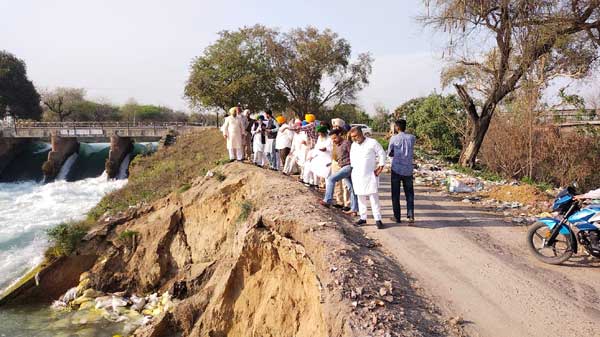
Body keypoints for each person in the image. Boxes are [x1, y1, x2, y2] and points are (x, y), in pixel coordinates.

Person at [349, 126, 386, 229]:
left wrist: (381, 166)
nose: (354, 138)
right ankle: (363, 218)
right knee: (360, 197)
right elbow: (352, 160)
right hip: (357, 174)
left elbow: (382, 154)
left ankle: (378, 219)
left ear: (361, 134)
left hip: (370, 175)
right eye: (352, 137)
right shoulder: (353, 145)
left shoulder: (372, 142)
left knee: (373, 198)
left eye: (355, 136)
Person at [320, 128, 358, 215]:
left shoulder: (347, 143)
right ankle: (354, 209)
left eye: (335, 138)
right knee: (352, 188)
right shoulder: (336, 145)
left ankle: (327, 200)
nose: (334, 140)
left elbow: (353, 155)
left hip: (348, 166)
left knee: (330, 179)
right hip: (342, 167)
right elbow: (337, 157)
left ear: (339, 135)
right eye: (332, 139)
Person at [388, 119, 416, 223]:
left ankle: (397, 217)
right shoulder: (412, 138)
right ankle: (410, 215)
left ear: (397, 127)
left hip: (396, 168)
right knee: (409, 194)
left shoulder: (393, 138)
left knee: (395, 194)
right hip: (408, 169)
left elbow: (390, 152)